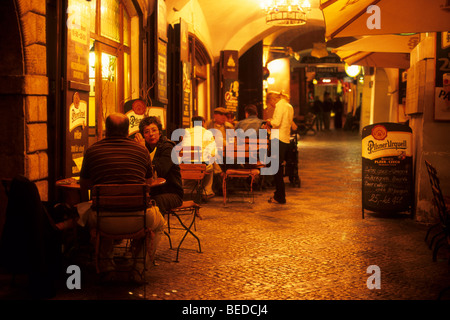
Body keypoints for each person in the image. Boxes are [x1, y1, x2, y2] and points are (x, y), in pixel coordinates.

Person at [79, 112, 165, 281]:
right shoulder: (142, 151)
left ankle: (106, 267)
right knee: (159, 223)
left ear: (106, 130)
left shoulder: (92, 151)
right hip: (139, 218)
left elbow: (84, 185)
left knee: (88, 213)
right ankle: (139, 269)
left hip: (103, 219)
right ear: (128, 131)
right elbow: (148, 183)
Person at [135, 116, 184, 214]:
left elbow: (159, 171)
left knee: (153, 202)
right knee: (135, 200)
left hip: (171, 193)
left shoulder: (168, 147)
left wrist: (142, 150)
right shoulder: (146, 147)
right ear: (143, 135)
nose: (151, 134)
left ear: (159, 132)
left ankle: (157, 228)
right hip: (152, 191)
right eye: (147, 132)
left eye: (154, 130)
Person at [265, 91, 294, 204]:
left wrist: (268, 121)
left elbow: (276, 123)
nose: (271, 106)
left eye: (270, 103)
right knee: (279, 168)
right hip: (285, 139)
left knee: (276, 169)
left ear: (272, 100)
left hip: (277, 139)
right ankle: (279, 194)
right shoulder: (289, 106)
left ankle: (280, 196)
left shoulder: (279, 106)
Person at [181, 115, 216, 200]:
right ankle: (206, 192)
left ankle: (188, 191)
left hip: (185, 166)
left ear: (192, 123)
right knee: (211, 166)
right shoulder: (208, 133)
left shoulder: (185, 132)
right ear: (203, 123)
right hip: (201, 166)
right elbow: (213, 152)